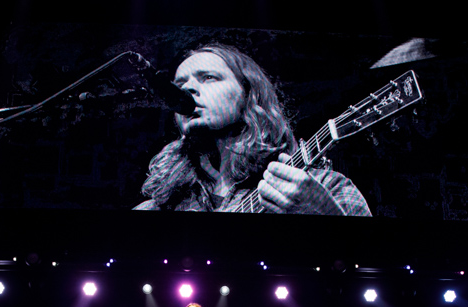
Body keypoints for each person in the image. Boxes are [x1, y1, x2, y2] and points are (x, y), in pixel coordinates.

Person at [134, 43, 371, 215]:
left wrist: (323, 213)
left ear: (249, 95)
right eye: (180, 85)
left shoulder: (326, 187)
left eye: (208, 77)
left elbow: (371, 262)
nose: (188, 90)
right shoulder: (157, 206)